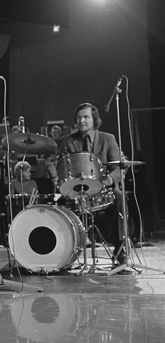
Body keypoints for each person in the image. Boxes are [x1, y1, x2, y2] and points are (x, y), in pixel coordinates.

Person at [58, 102, 125, 264]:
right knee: (59, 204)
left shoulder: (108, 139)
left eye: (86, 117)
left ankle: (120, 250)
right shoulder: (67, 141)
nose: (82, 121)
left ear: (94, 119)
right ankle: (65, 256)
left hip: (105, 188)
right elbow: (62, 168)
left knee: (120, 198)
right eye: (79, 117)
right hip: (77, 189)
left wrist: (110, 180)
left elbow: (118, 168)